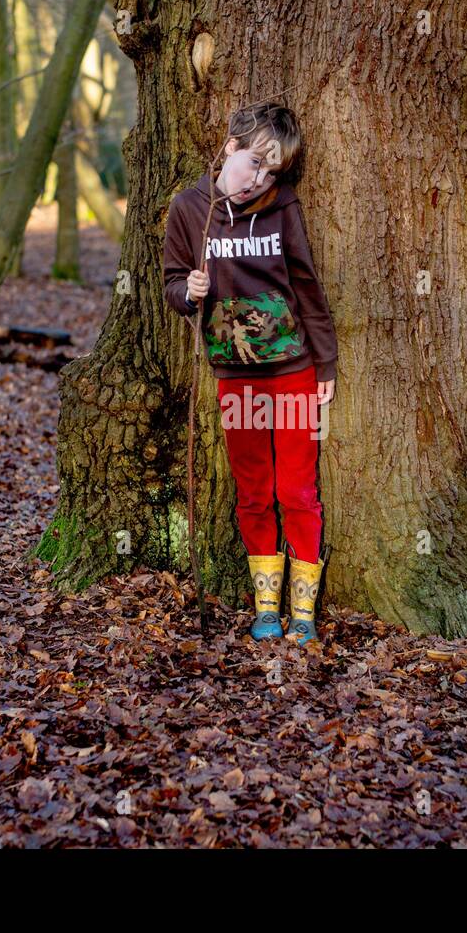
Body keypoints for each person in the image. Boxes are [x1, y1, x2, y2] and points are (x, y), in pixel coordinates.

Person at [162, 102, 338, 645]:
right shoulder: (189, 209)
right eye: (254, 164)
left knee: (297, 490)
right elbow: (171, 281)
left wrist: (324, 360)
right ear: (230, 147)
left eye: (271, 172)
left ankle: (302, 608)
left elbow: (305, 285)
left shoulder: (283, 209)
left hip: (291, 371)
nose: (258, 179)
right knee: (254, 489)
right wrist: (186, 294)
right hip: (233, 374)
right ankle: (266, 603)